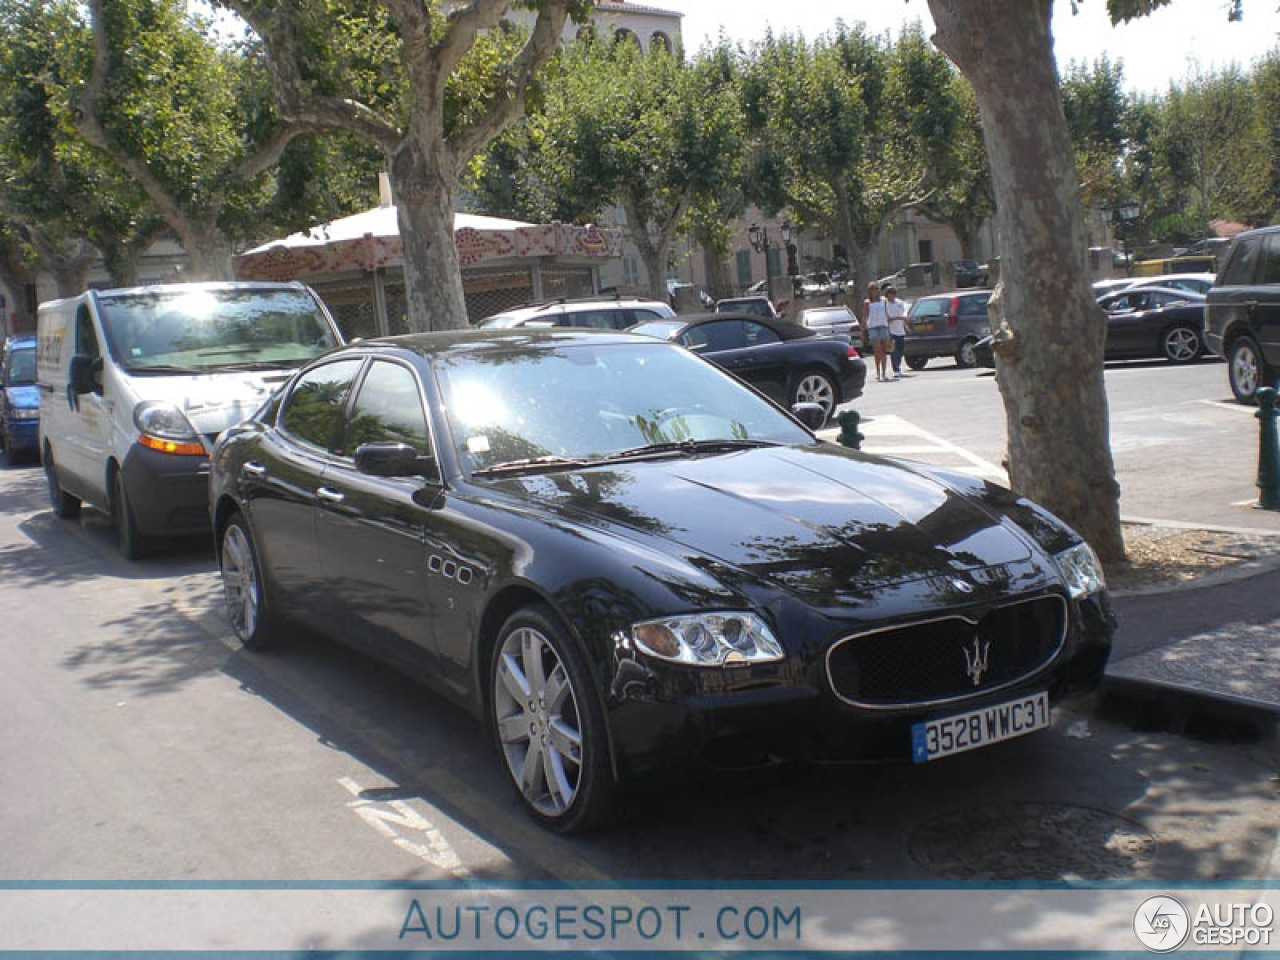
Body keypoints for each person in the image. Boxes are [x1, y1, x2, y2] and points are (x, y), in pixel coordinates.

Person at [862, 281, 890, 382]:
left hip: (883, 326)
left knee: (884, 350)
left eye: (876, 289)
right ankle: (878, 372)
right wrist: (863, 330)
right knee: (877, 350)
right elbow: (865, 317)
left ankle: (884, 373)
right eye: (872, 289)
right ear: (869, 291)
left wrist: (889, 327)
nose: (874, 291)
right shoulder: (867, 302)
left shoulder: (883, 300)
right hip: (873, 327)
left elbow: (886, 313)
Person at [884, 285, 908, 379]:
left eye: (894, 293)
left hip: (900, 330)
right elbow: (888, 318)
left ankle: (898, 366)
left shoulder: (900, 302)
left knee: (901, 350)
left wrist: (905, 324)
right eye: (890, 294)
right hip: (891, 330)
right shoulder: (885, 304)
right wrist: (896, 318)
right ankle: (896, 369)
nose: (892, 295)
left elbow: (904, 315)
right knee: (894, 351)